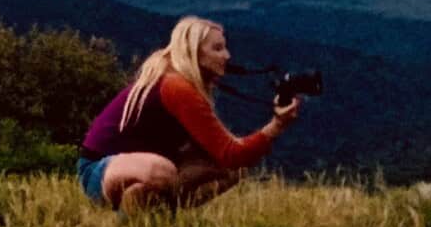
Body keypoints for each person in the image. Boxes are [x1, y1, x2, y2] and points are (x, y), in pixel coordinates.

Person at [76, 15, 299, 211]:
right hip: (97, 171)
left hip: (121, 168)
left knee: (230, 169)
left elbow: (229, 156)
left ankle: (156, 214)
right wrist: (276, 126)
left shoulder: (174, 80)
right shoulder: (177, 88)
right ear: (194, 53)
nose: (227, 56)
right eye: (218, 49)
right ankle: (130, 225)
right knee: (162, 171)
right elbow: (232, 153)